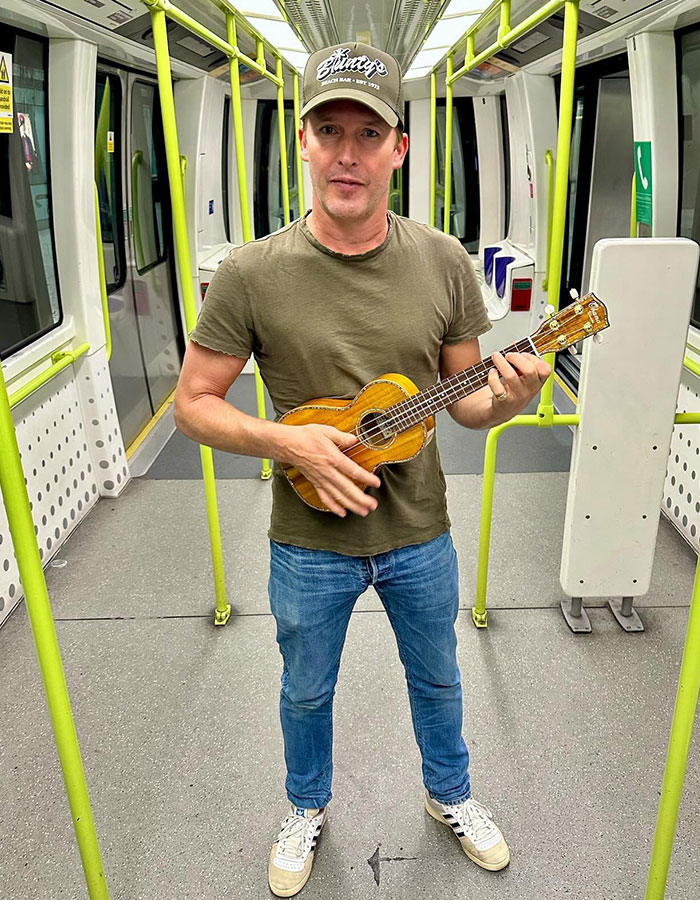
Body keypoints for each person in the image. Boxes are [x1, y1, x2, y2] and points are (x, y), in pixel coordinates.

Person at [174, 41, 551, 898]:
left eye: (368, 133)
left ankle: (449, 795)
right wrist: (290, 442)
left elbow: (466, 401)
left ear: (398, 148)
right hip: (306, 538)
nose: (348, 153)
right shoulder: (250, 275)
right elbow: (194, 402)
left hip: (419, 530)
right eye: (329, 130)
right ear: (302, 142)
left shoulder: (444, 261)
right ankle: (306, 806)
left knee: (439, 675)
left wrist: (516, 397)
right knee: (306, 689)